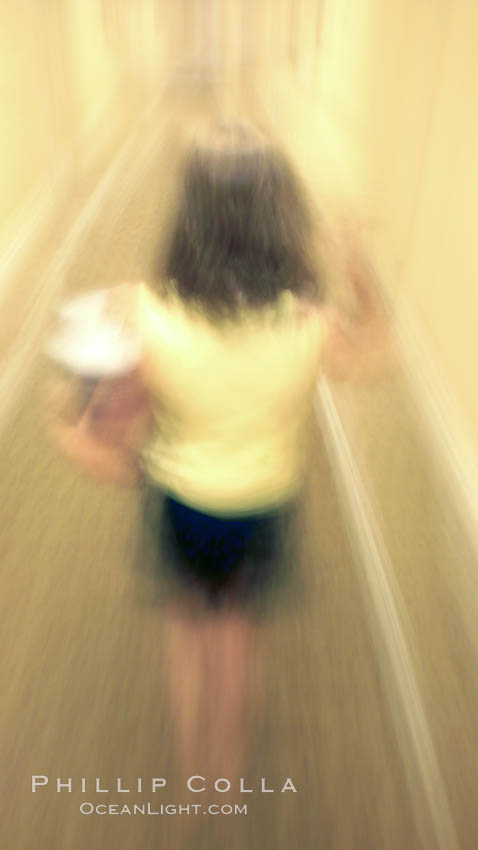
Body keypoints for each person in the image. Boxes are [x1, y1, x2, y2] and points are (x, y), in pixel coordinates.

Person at [47, 119, 389, 789]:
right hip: (262, 504)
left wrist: (71, 422)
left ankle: (191, 774)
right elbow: (375, 351)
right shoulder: (308, 322)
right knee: (238, 641)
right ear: (280, 215)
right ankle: (227, 781)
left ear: (189, 217)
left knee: (186, 635)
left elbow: (95, 418)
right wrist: (358, 268)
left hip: (180, 504)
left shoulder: (146, 312)